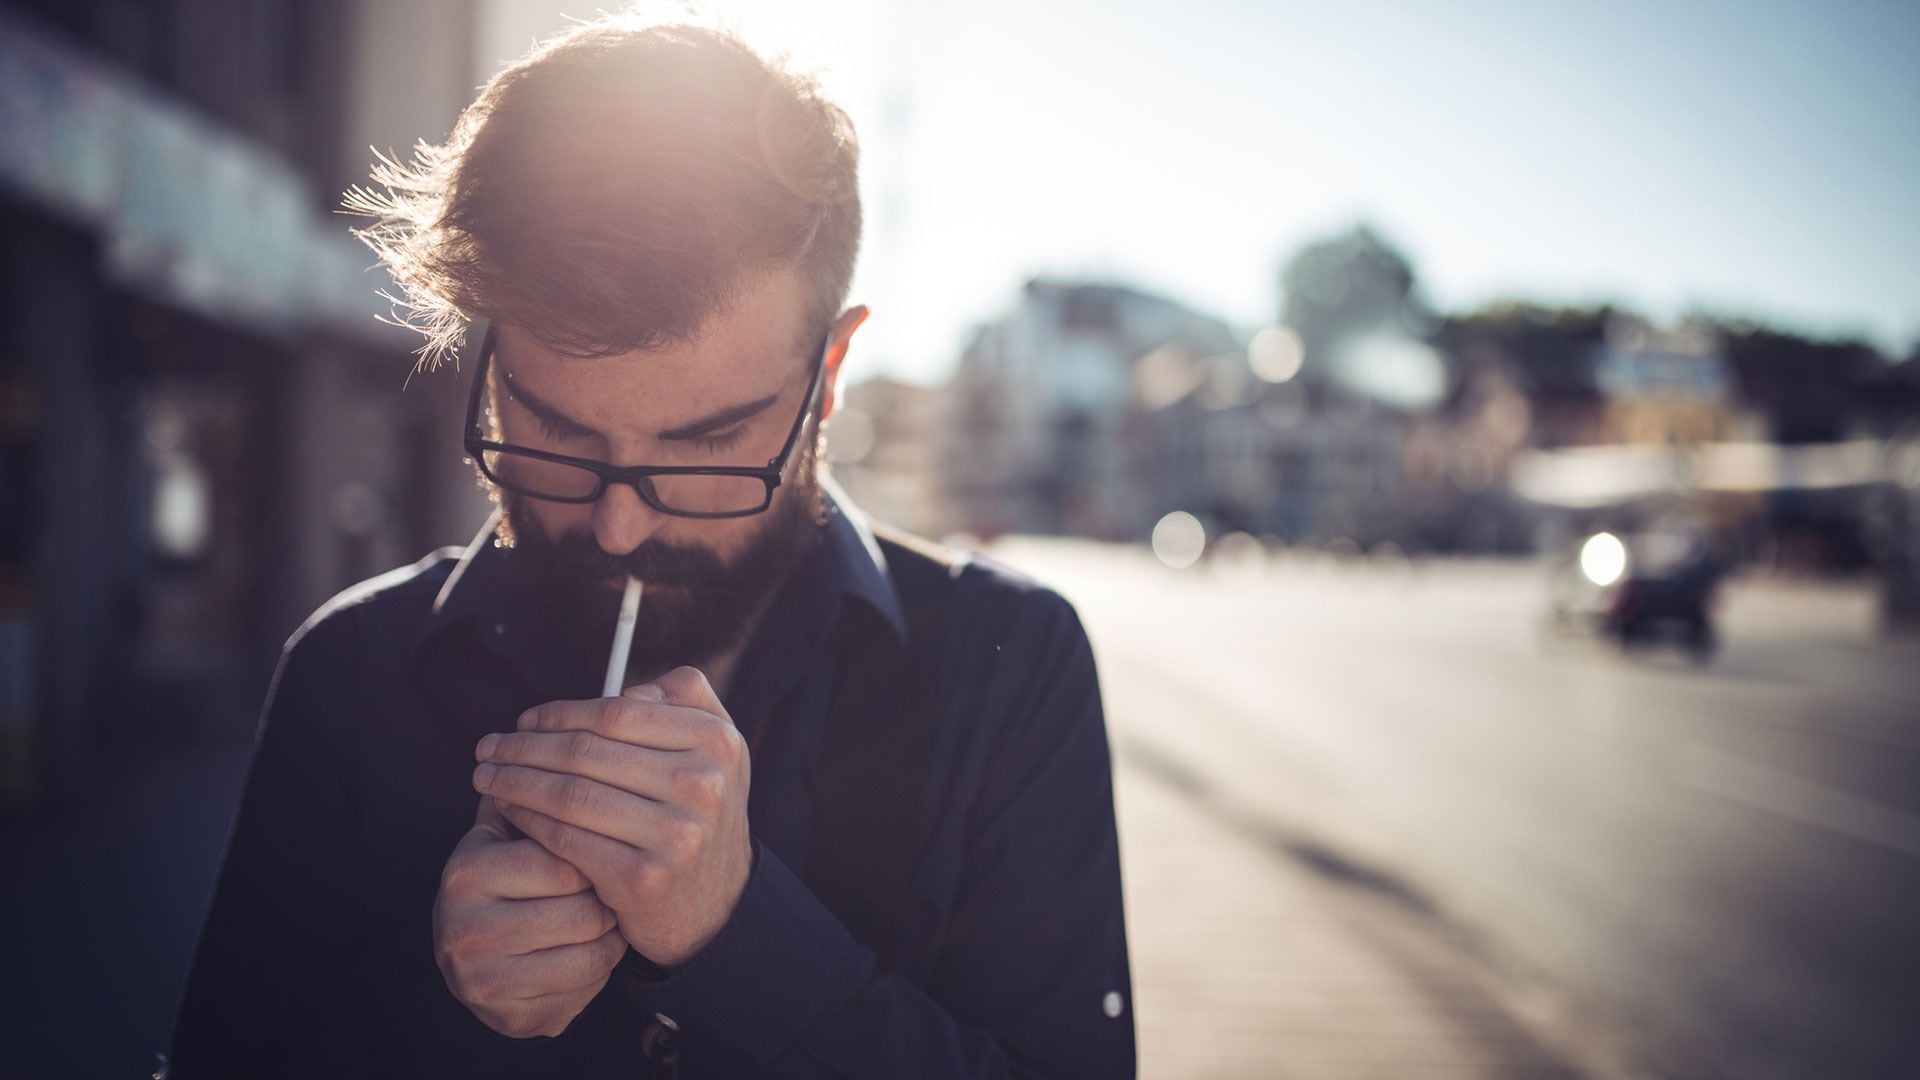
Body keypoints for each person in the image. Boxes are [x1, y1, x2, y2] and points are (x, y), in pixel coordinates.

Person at [164, 13, 1133, 1079]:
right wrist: (431, 997)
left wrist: (739, 935)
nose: (620, 525)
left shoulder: (1008, 670)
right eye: (558, 433)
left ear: (831, 373)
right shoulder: (353, 672)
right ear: (491, 362)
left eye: (707, 445)